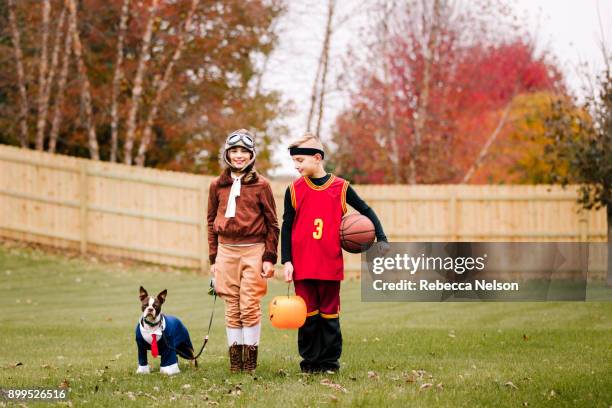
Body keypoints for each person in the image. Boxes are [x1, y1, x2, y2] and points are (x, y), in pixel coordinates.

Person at [281, 133, 388, 373]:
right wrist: (286, 260)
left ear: (317, 158)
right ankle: (310, 363)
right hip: (303, 264)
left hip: (329, 263)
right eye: (294, 162)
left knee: (329, 316)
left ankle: (329, 363)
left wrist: (380, 237)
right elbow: (287, 226)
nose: (296, 166)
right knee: (307, 317)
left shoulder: (341, 187)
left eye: (300, 161)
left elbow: (365, 209)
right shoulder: (294, 190)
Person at [207, 129, 279, 373]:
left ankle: (250, 364)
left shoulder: (262, 185)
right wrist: (213, 259)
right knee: (232, 306)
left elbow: (272, 224)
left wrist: (269, 257)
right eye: (234, 151)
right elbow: (210, 223)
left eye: (244, 151)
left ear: (252, 155)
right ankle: (235, 364)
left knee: (249, 304)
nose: (239, 156)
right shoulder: (217, 185)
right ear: (226, 154)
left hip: (254, 250)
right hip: (226, 251)